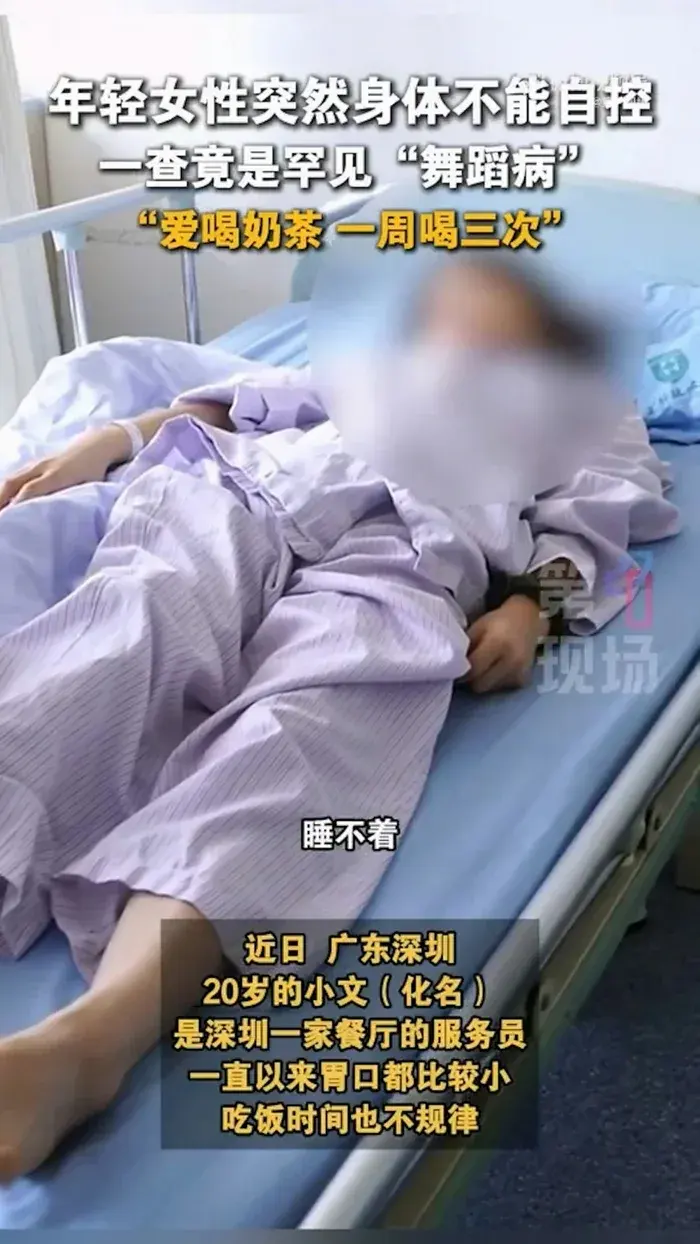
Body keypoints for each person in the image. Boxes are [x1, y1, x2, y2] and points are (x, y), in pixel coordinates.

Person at [0, 260, 679, 1181]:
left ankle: (89, 1042)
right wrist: (110, 439)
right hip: (246, 498)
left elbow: (596, 521)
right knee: (115, 642)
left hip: (409, 565)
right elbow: (243, 404)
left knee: (299, 744)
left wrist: (531, 608)